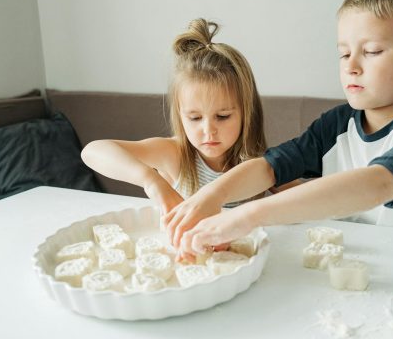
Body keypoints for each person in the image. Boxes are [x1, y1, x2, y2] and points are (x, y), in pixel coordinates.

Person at [165, 0, 393, 258]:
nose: (351, 66)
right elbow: (270, 167)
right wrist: (211, 196)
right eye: (344, 54)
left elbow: (380, 183)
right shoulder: (336, 124)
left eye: (371, 51)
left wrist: (248, 216)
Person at [81, 18, 267, 226]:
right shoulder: (175, 154)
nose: (208, 130)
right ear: (180, 114)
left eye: (222, 116)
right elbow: (92, 151)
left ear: (247, 112)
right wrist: (151, 181)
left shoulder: (263, 163)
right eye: (194, 118)